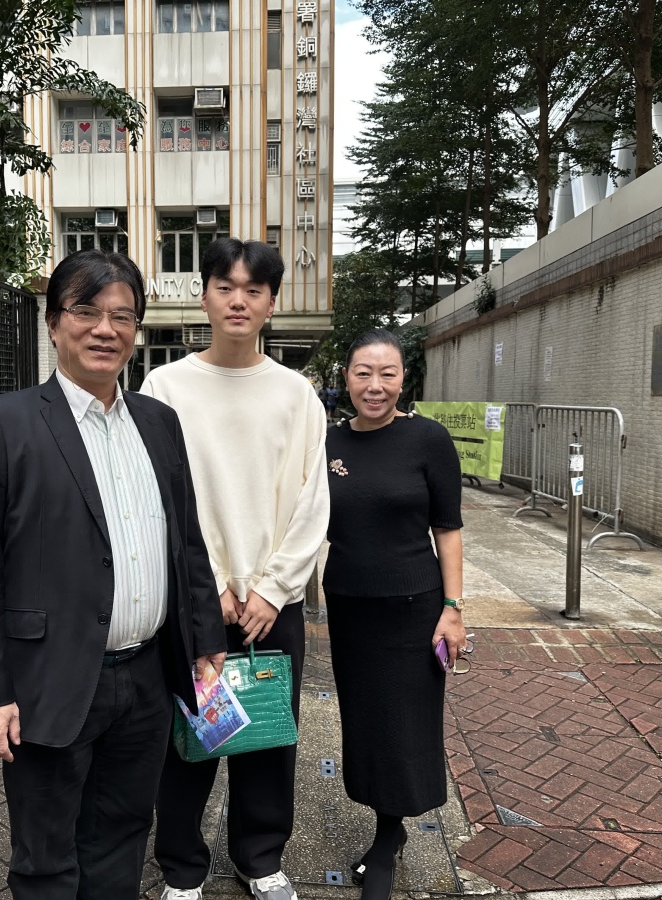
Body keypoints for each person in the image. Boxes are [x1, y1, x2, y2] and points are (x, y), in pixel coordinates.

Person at [0, 249, 227, 900]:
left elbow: (187, 542)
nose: (106, 329)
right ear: (53, 323)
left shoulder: (159, 423)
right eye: (86, 310)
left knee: (123, 834)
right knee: (46, 854)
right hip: (50, 679)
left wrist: (206, 640)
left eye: (123, 316)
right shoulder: (4, 423)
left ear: (137, 331)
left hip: (147, 677)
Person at [141, 238, 329, 900]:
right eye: (225, 286)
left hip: (274, 607)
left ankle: (261, 858)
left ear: (272, 303)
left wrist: (274, 590)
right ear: (205, 296)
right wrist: (211, 586)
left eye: (254, 289)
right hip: (196, 603)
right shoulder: (165, 388)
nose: (238, 301)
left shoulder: (297, 395)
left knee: (268, 738)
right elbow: (160, 497)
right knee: (190, 735)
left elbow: (313, 502)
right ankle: (182, 866)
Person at [322, 328, 467, 900]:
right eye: (363, 373)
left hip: (414, 608)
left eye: (387, 373)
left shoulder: (428, 439)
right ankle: (383, 823)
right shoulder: (329, 443)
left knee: (405, 724)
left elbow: (448, 529)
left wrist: (453, 608)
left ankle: (388, 838)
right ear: (347, 378)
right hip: (350, 608)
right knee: (365, 721)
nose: (375, 386)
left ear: (404, 378)